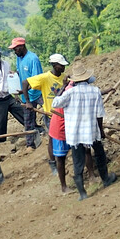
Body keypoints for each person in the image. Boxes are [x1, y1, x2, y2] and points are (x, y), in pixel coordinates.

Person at [52, 63, 112, 199]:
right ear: (86, 78)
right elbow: (99, 114)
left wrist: (62, 87)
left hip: (75, 134)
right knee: (100, 156)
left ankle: (82, 193)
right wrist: (101, 131)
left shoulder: (69, 92)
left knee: (78, 162)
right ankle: (106, 180)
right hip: (92, 131)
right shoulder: (95, 91)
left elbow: (55, 104)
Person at [24, 53, 70, 185]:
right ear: (55, 65)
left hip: (63, 113)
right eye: (61, 66)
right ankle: (53, 163)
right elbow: (25, 82)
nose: (63, 68)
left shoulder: (63, 78)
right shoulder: (45, 78)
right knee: (52, 139)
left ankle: (63, 160)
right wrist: (27, 101)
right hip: (51, 114)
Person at [12, 38, 43, 150]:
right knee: (28, 121)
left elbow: (36, 79)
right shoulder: (19, 58)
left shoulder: (33, 59)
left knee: (48, 113)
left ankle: (53, 136)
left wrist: (24, 90)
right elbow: (19, 73)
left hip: (38, 92)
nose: (14, 51)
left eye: (16, 48)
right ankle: (30, 144)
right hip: (26, 95)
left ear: (22, 46)